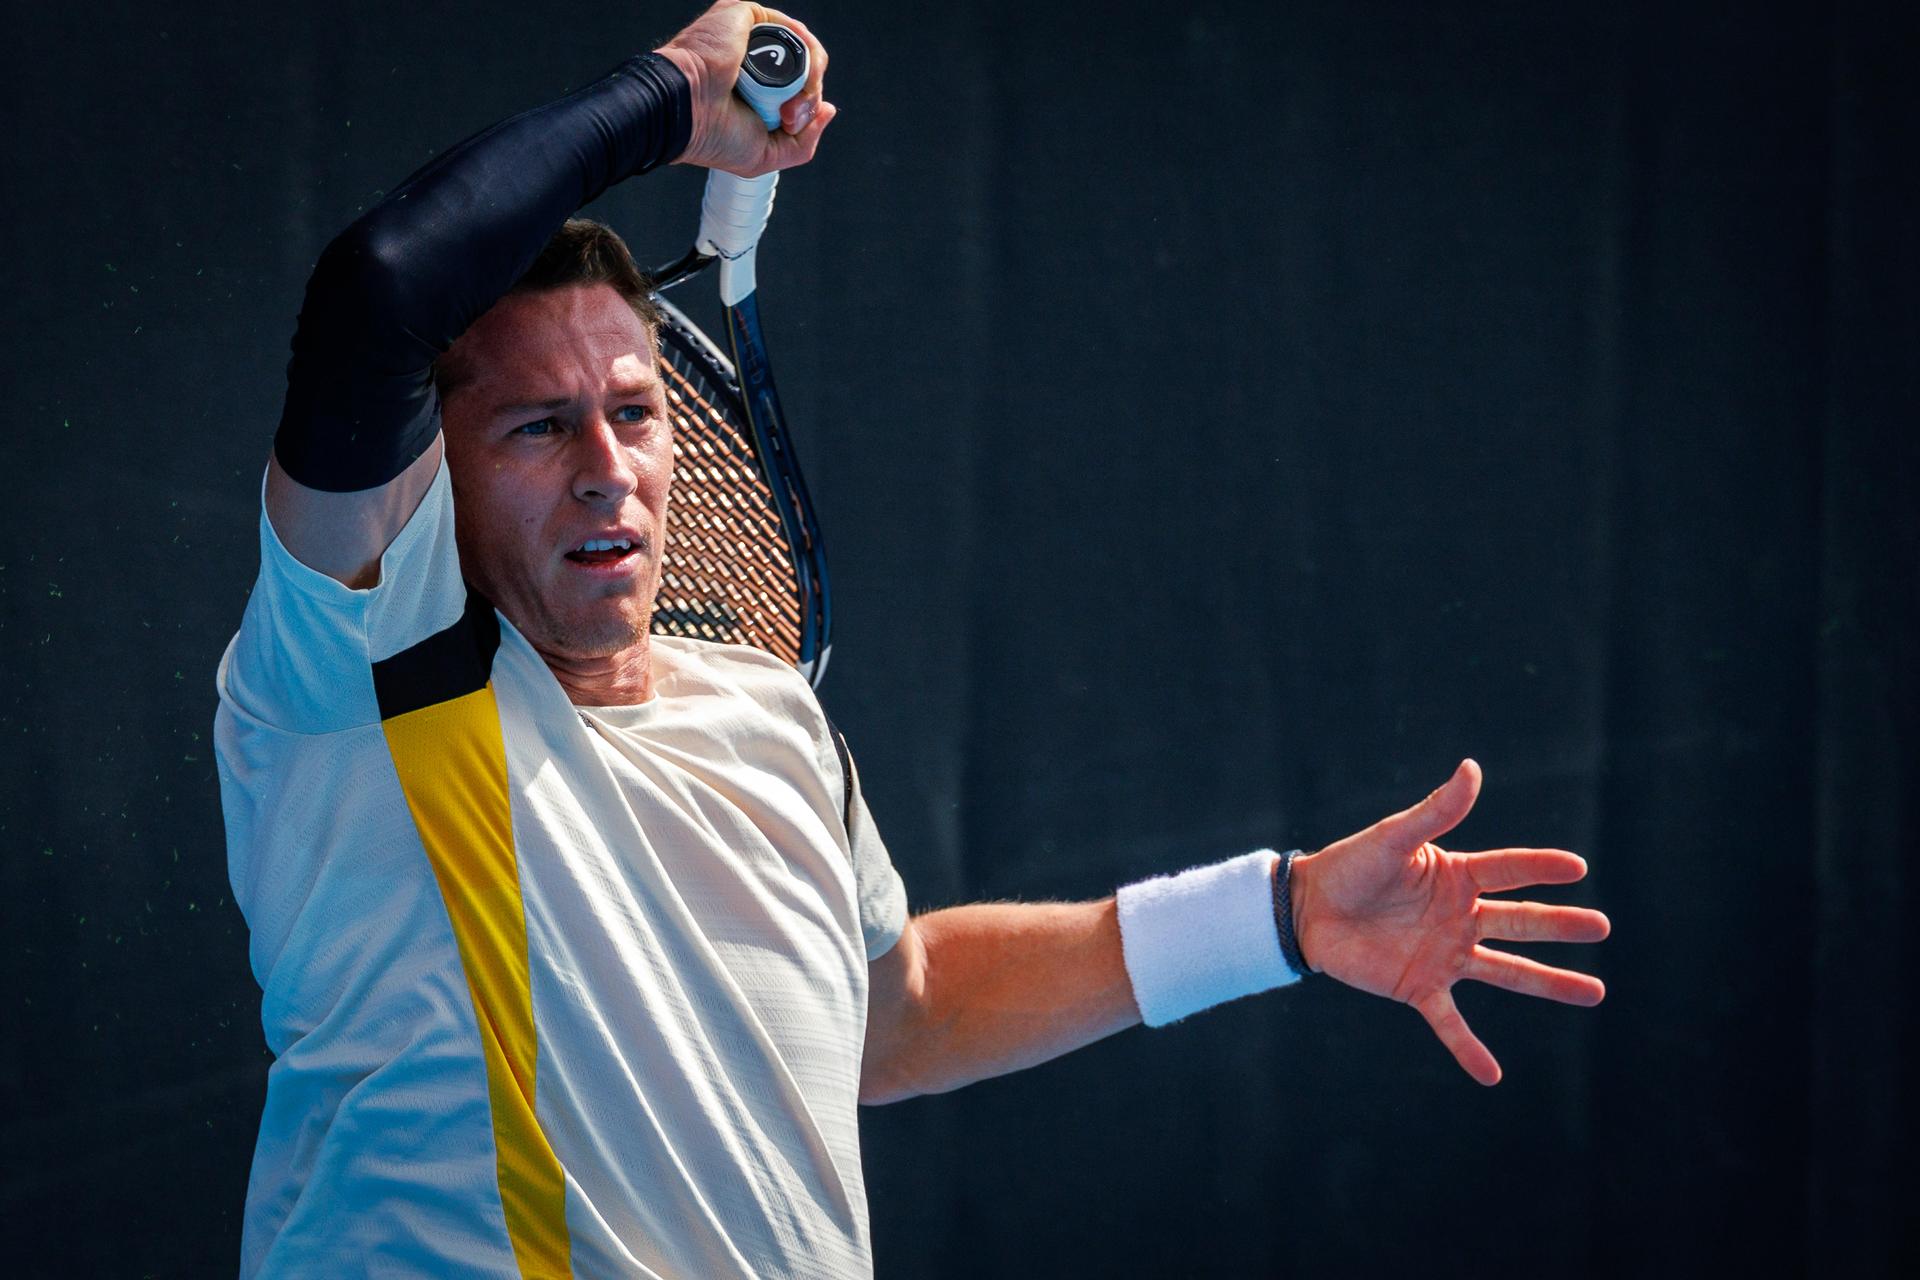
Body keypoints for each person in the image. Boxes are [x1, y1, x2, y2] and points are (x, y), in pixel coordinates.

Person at [213, 2, 1611, 1276]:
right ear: (430, 472)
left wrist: (1279, 915)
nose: (605, 467)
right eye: (536, 424)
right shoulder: (366, 678)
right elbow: (378, 292)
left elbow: (908, 1011)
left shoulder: (765, 712)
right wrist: (672, 96)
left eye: (633, 412)